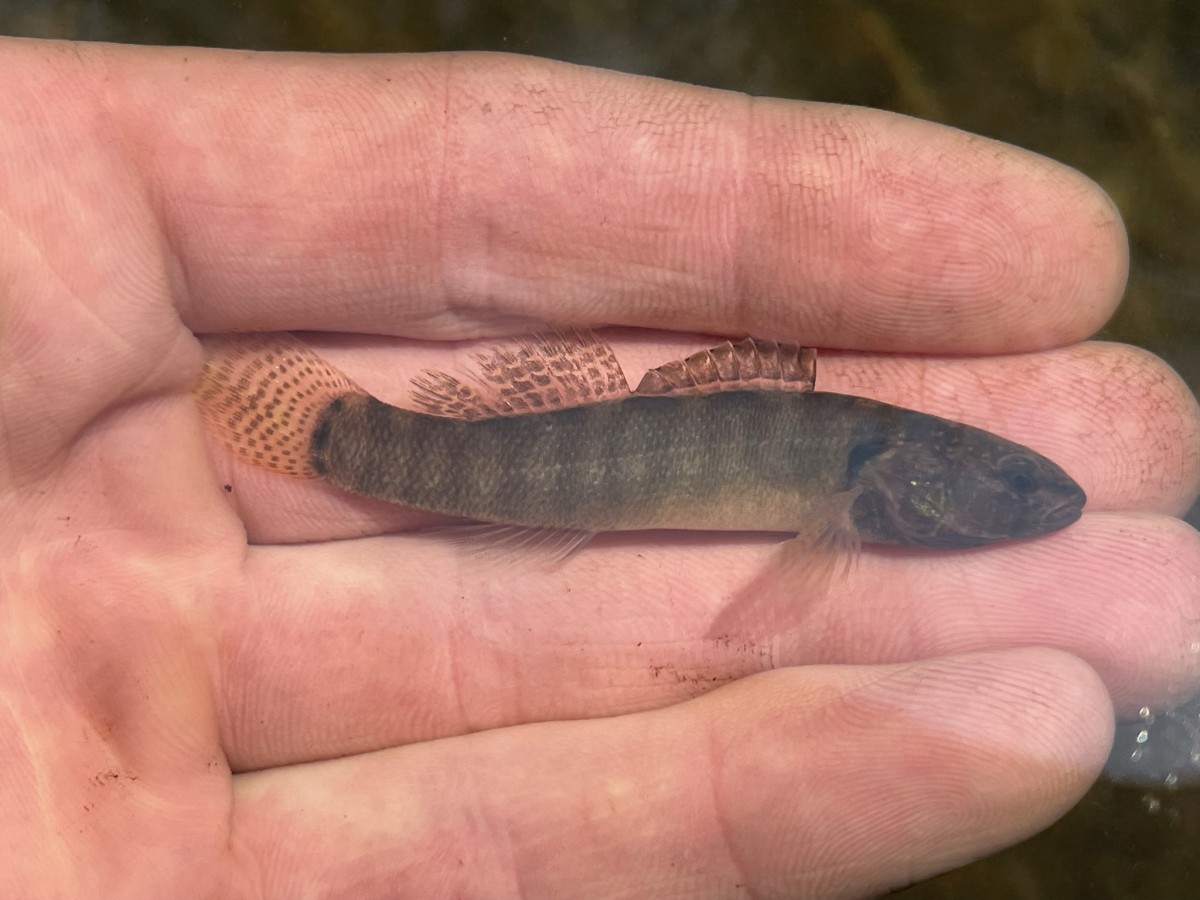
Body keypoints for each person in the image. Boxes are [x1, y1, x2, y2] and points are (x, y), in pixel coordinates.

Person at [1, 36, 1196, 898]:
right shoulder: (864, 476)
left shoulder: (878, 468)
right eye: (1005, 485)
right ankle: (333, 434)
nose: (1027, 501)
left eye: (1011, 487)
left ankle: (335, 435)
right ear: (925, 476)